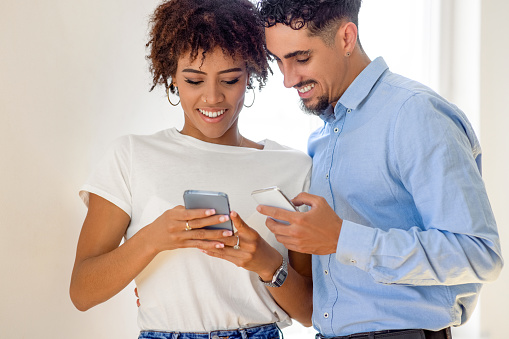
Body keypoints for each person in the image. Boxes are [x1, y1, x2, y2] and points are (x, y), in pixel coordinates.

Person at [255, 0, 504, 338]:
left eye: (301, 58)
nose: (288, 79)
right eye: (279, 61)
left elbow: (479, 254)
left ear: (346, 38)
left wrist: (342, 238)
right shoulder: (323, 137)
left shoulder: (414, 114)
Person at [69, 0, 313, 338]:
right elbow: (82, 292)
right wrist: (152, 239)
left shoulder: (293, 167)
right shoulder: (130, 156)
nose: (212, 98)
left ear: (250, 76)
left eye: (229, 80)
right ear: (172, 78)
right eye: (194, 80)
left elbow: (309, 311)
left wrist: (267, 263)